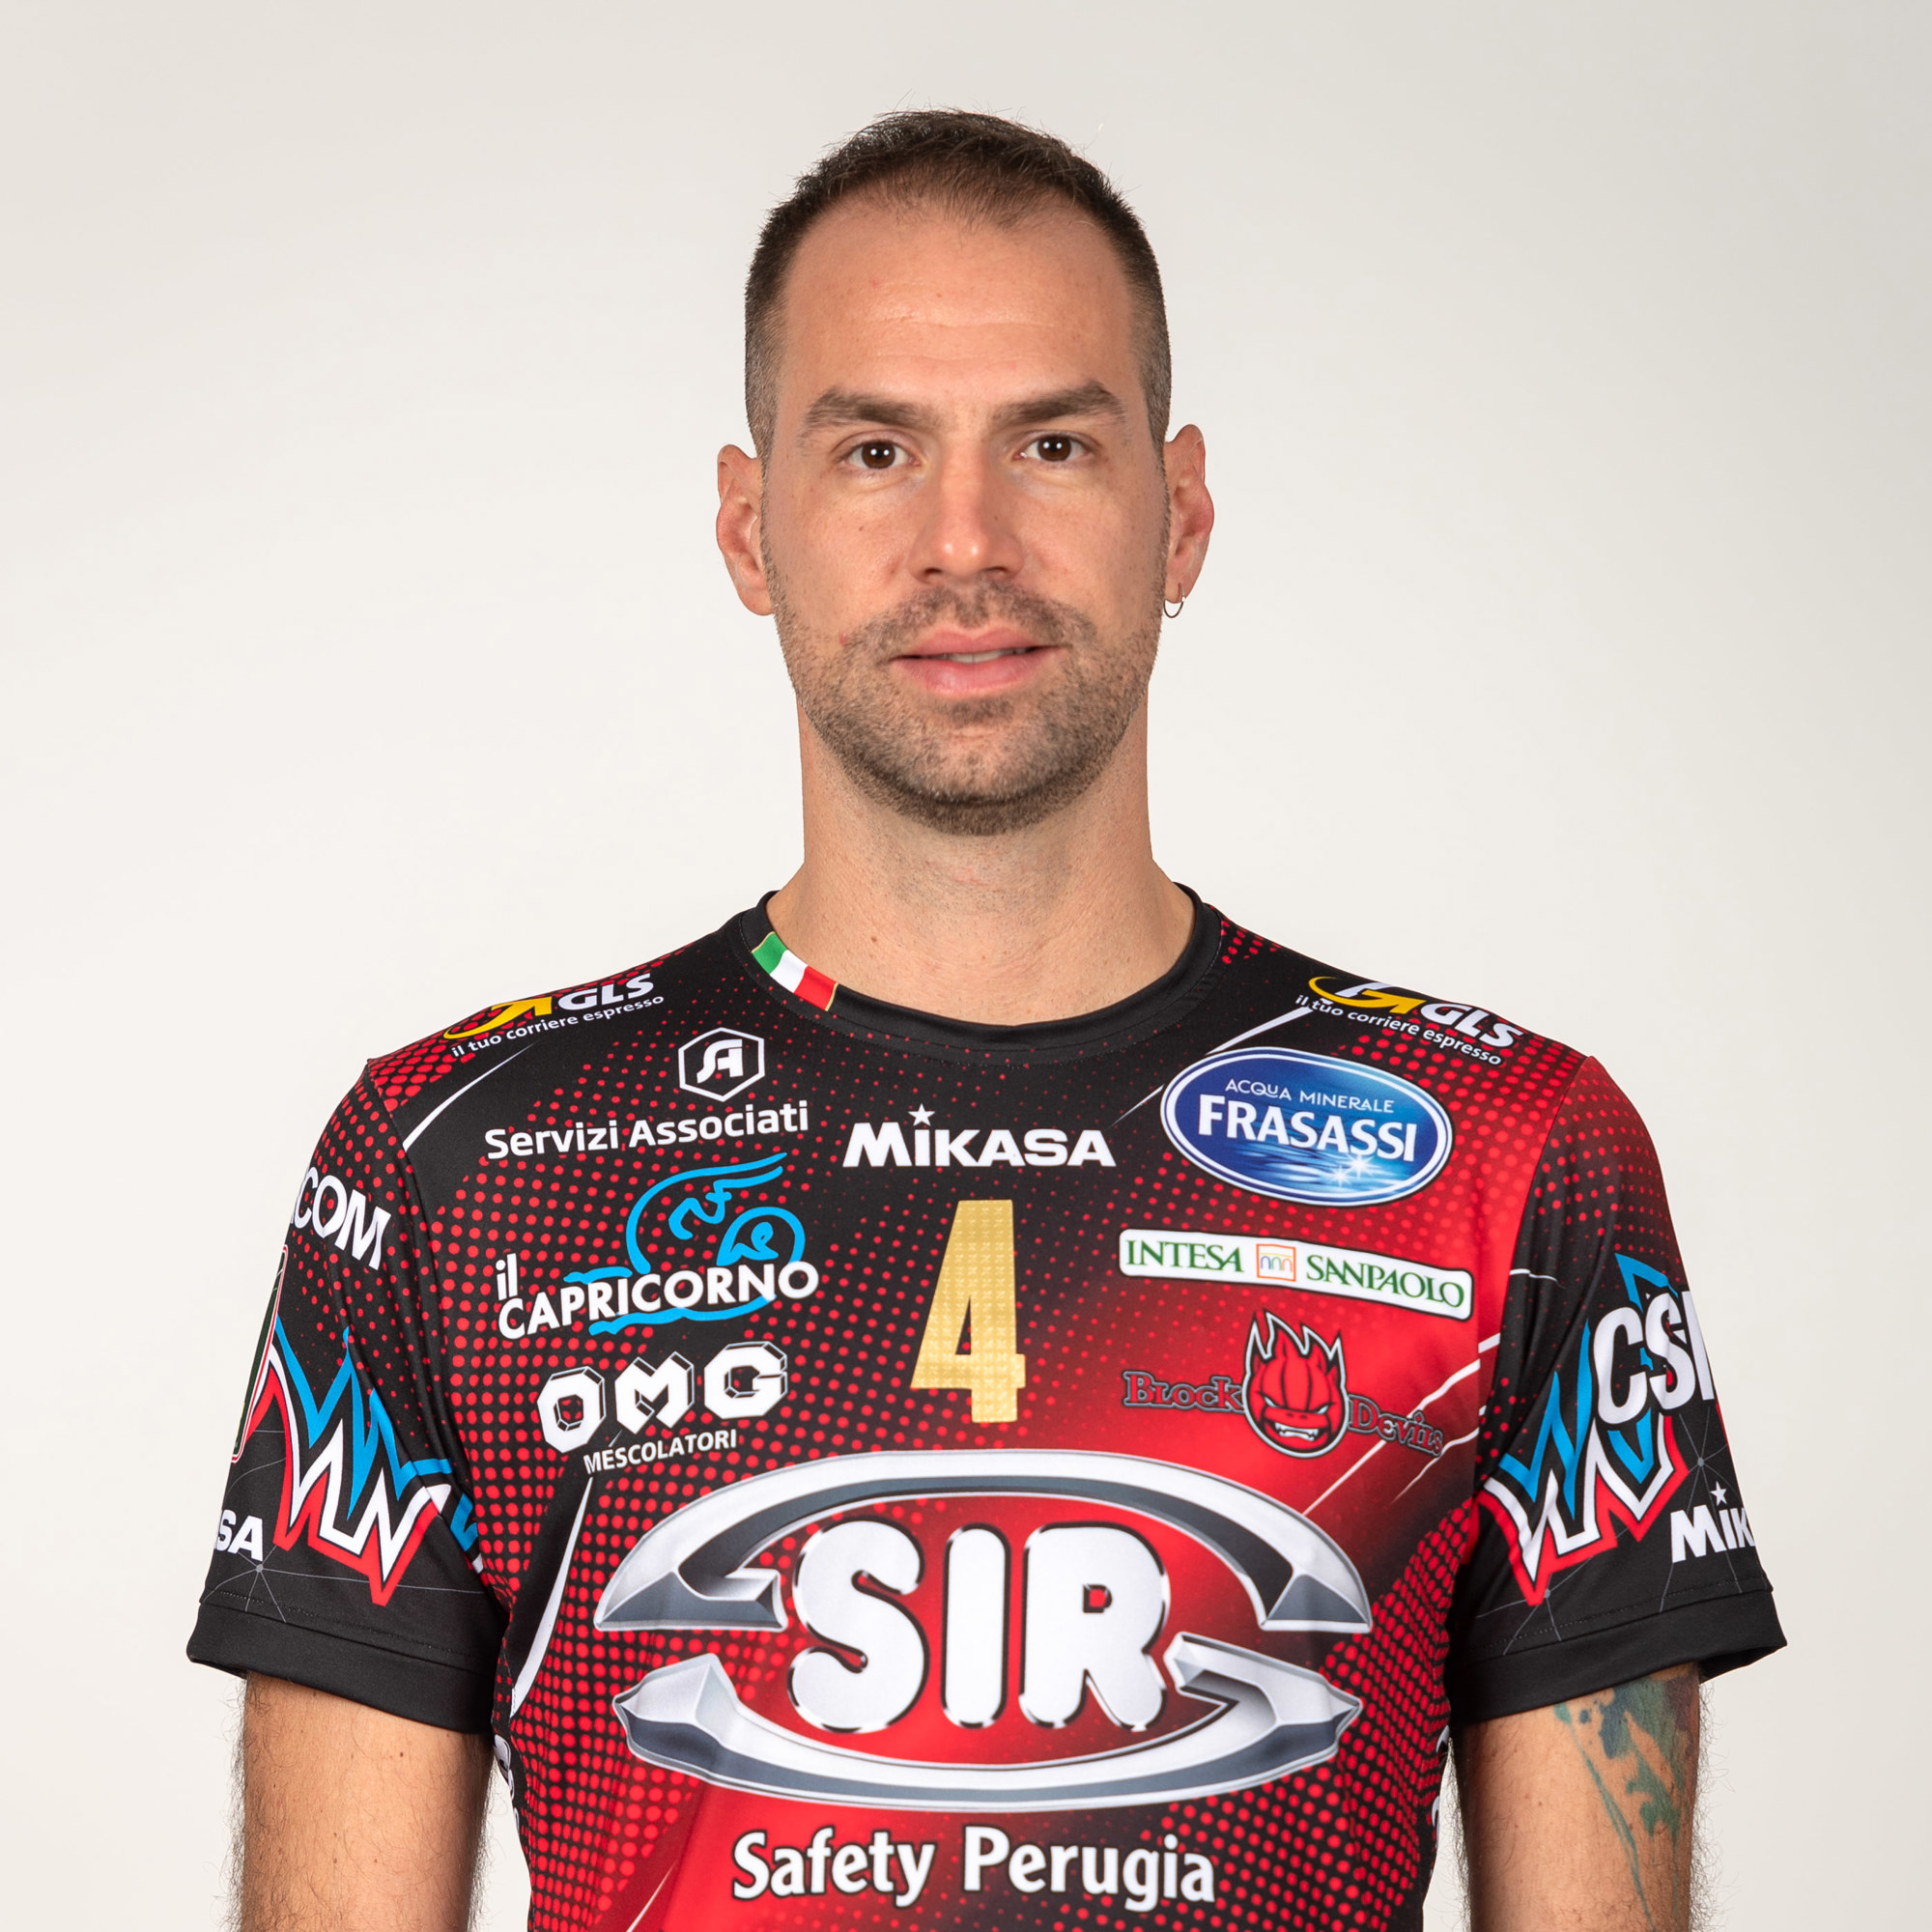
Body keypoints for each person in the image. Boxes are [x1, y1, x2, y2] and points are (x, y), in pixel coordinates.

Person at [190, 110, 1782, 1932]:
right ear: (751, 528)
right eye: (876, 449)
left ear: (1180, 514)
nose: (968, 541)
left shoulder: (1508, 1161)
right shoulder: (456, 1162)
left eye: (1052, 444)